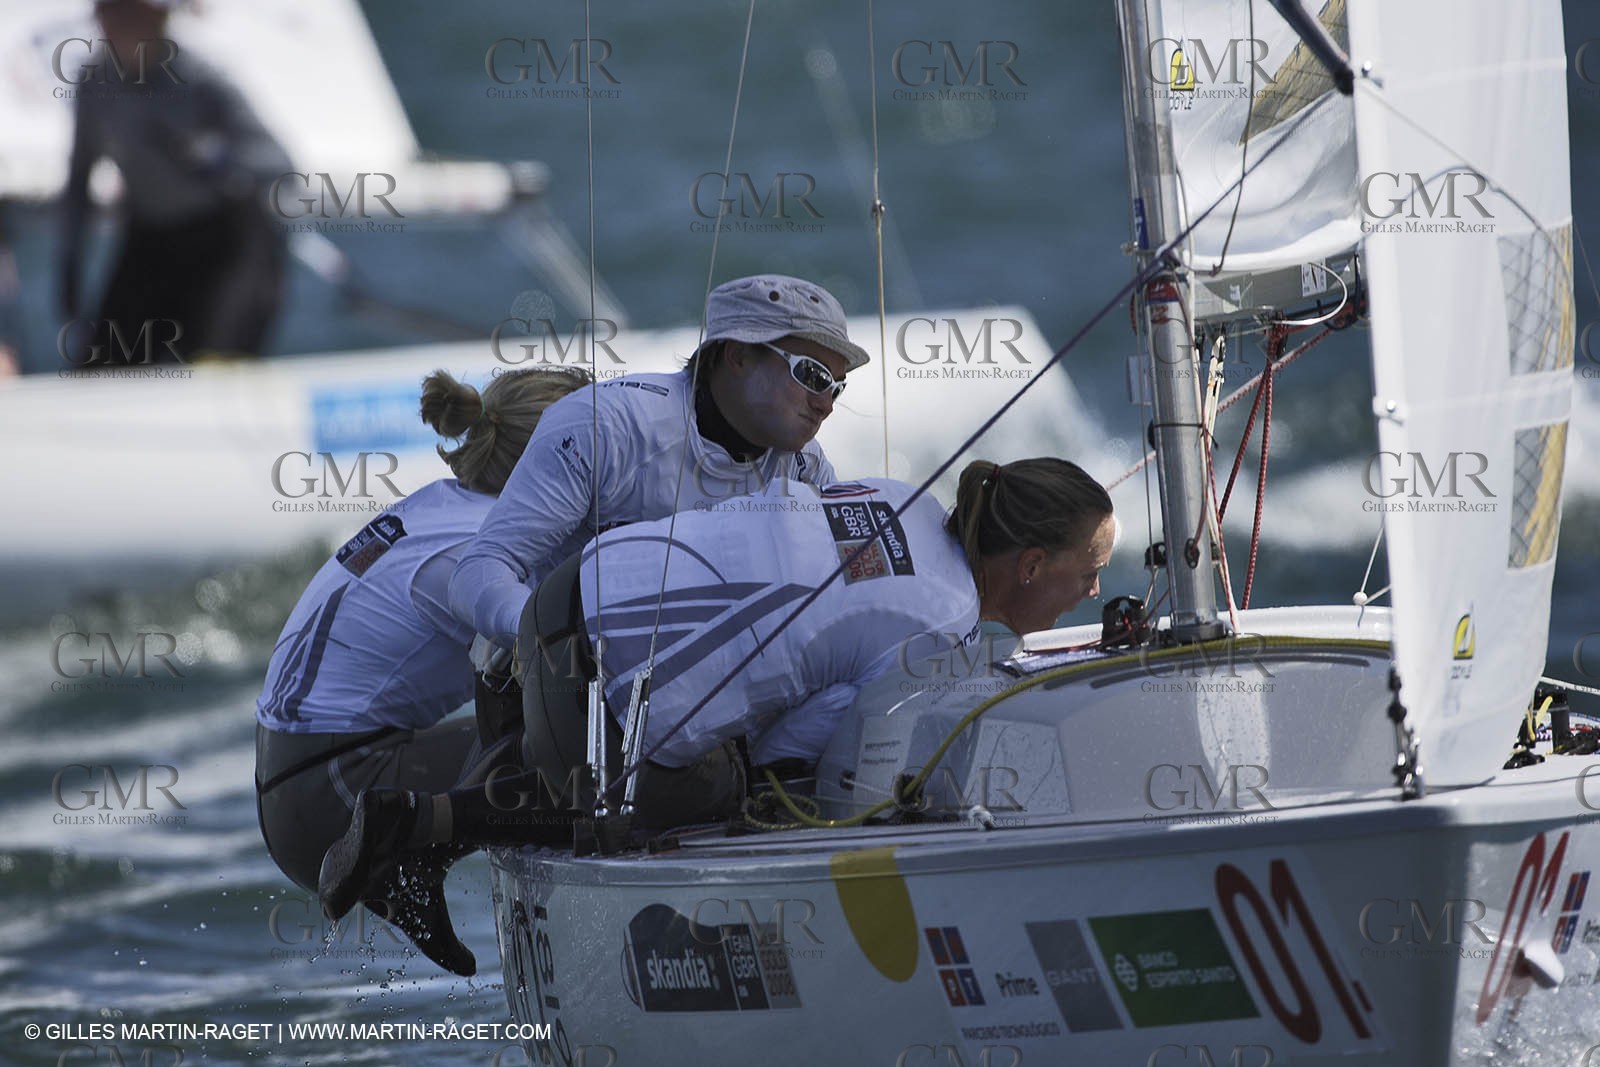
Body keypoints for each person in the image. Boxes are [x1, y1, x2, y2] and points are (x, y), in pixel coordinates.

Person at [319, 457, 1116, 973]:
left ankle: (429, 850)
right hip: (591, 678)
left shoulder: (899, 493)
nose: (1093, 593)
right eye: (1091, 572)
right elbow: (822, 776)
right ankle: (413, 823)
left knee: (679, 747)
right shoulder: (944, 624)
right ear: (1032, 564)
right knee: (718, 792)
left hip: (556, 596)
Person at [254, 366, 589, 968]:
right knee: (589, 759)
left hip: (296, 777)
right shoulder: (474, 548)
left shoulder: (444, 505)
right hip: (333, 791)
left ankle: (414, 866)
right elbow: (560, 649)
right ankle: (409, 832)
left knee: (534, 710)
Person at [449, 273, 870, 740]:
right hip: (550, 696)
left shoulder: (805, 469)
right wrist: (560, 648)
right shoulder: (606, 426)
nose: (825, 404)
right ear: (737, 355)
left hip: (701, 698)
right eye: (812, 376)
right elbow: (479, 571)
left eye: (837, 386)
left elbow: (849, 593)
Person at [58, 0, 292, 365]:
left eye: (126, 11)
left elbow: (278, 165)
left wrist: (221, 159)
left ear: (159, 17)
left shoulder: (201, 79)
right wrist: (69, 270)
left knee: (215, 365)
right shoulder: (94, 83)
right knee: (101, 369)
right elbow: (77, 186)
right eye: (105, 11)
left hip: (224, 243)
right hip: (152, 239)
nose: (112, 22)